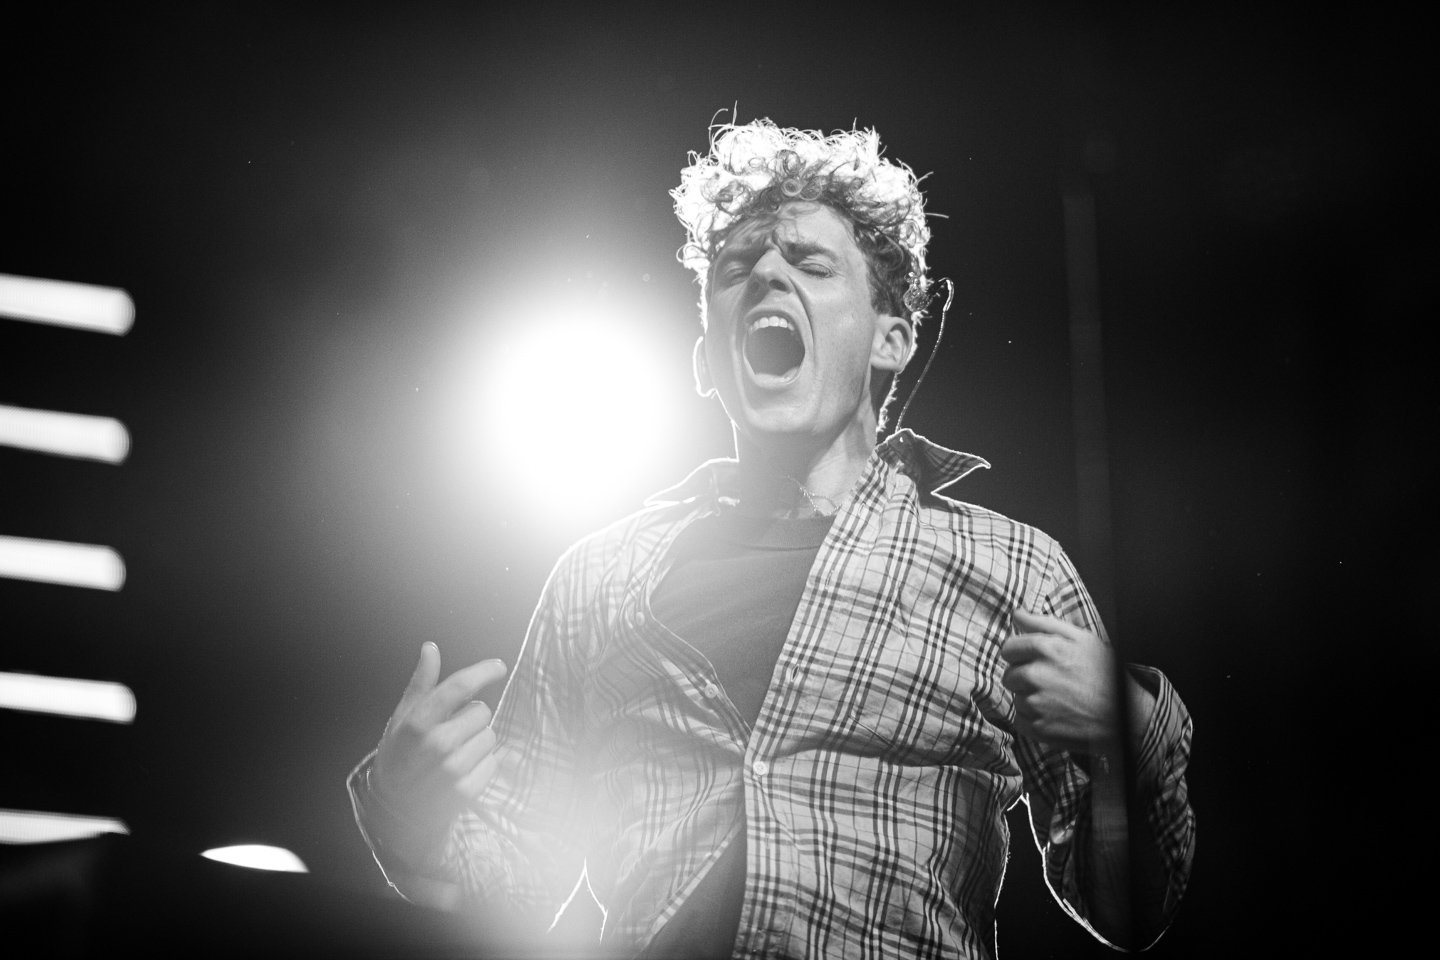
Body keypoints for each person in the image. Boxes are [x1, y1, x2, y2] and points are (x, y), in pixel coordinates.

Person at [348, 118, 1195, 959]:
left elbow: (1129, 912)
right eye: (736, 269)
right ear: (704, 360)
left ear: (891, 338)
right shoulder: (597, 578)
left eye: (811, 263)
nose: (765, 278)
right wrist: (407, 811)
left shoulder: (1011, 569)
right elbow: (511, 881)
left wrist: (1129, 733)